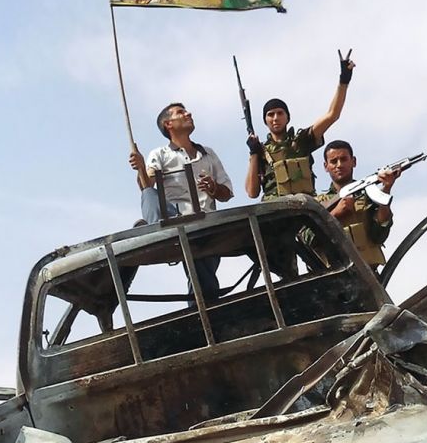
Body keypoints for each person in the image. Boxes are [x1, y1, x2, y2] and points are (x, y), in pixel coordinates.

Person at [129, 103, 233, 301]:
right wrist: (141, 168)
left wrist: (213, 188)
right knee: (150, 195)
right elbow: (147, 184)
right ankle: (153, 227)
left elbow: (226, 193)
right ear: (168, 124)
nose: (188, 114)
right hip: (175, 222)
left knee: (204, 283)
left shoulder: (207, 153)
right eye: (181, 112)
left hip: (206, 224)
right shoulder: (160, 155)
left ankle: (203, 320)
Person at [245, 50, 355, 200]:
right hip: (274, 213)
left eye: (280, 113)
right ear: (265, 121)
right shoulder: (261, 151)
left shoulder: (301, 141)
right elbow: (252, 193)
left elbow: (332, 115)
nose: (275, 118)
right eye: (270, 115)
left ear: (288, 117)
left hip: (305, 209)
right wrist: (253, 154)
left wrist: (344, 81)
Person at [320, 139, 400, 268]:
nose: (339, 165)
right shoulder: (319, 203)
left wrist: (386, 189)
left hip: (368, 273)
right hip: (335, 277)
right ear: (326, 166)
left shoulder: (368, 196)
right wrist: (335, 214)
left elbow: (379, 235)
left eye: (344, 159)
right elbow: (307, 238)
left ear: (354, 161)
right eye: (333, 161)